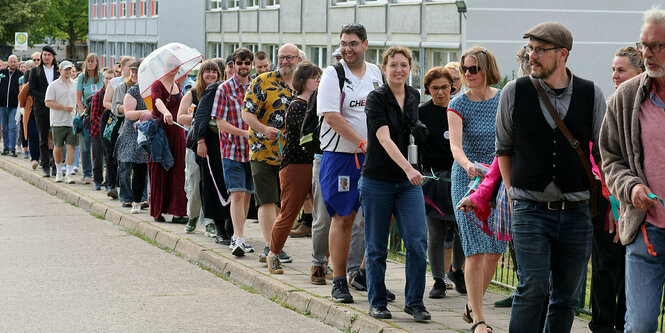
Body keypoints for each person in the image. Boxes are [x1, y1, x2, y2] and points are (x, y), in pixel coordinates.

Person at [496, 22, 606, 332]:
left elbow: (602, 151)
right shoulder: (514, 92)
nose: (532, 55)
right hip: (530, 209)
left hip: (577, 212)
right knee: (532, 289)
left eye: (539, 49)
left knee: (567, 296)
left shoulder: (591, 93)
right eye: (530, 48)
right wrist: (511, 191)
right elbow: (503, 148)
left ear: (562, 54)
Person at [599, 8, 665, 332]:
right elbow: (609, 157)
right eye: (644, 46)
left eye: (657, 46)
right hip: (645, 230)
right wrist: (631, 188)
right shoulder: (625, 98)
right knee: (640, 324)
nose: (648, 54)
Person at [359, 46, 430, 321]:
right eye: (393, 65)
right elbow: (384, 139)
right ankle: (377, 301)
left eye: (403, 65)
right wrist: (409, 168)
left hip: (408, 182)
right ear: (384, 68)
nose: (398, 69)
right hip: (378, 179)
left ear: (410, 68)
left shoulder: (413, 95)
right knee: (377, 246)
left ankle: (415, 302)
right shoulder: (376, 98)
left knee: (416, 241)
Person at [317, 24, 384, 303]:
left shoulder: (376, 73)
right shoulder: (334, 74)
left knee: (378, 217)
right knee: (343, 218)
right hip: (342, 157)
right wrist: (363, 143)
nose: (348, 49)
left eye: (353, 43)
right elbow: (332, 116)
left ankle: (367, 276)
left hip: (375, 157)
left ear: (365, 45)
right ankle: (339, 281)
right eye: (344, 43)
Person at [447, 46, 505, 333]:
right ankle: (480, 321)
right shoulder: (458, 103)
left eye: (474, 69)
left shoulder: (504, 98)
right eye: (465, 69)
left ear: (486, 70)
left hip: (497, 179)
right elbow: (455, 145)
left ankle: (473, 305)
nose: (468, 74)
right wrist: (467, 163)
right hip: (467, 180)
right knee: (475, 250)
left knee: (495, 249)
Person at [587, 46, 643, 333]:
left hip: (642, 204)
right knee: (606, 268)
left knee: (633, 272)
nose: (614, 76)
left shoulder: (647, 110)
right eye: (613, 69)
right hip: (609, 201)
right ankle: (602, 325)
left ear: (640, 73)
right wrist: (612, 204)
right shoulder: (611, 106)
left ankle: (626, 325)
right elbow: (603, 158)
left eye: (621, 70)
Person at [241, 43, 300, 263]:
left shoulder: (305, 84)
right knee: (267, 200)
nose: (285, 62)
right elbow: (247, 113)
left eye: (289, 58)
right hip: (262, 150)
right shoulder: (262, 81)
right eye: (281, 57)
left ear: (298, 60)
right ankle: (270, 247)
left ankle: (277, 244)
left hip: (293, 154)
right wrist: (264, 129)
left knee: (283, 204)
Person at [266, 61, 321, 274]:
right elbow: (305, 137)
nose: (318, 80)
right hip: (296, 164)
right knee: (289, 212)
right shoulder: (297, 105)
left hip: (316, 161)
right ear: (302, 81)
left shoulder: (318, 103)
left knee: (323, 215)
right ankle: (273, 254)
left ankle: (323, 262)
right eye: (313, 77)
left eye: (319, 76)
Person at [417, 66, 463, 299]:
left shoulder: (459, 108)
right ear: (428, 90)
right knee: (435, 231)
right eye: (435, 89)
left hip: (460, 178)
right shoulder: (422, 112)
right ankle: (437, 279)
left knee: (462, 229)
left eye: (445, 87)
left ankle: (457, 270)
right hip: (433, 180)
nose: (441, 93)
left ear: (452, 86)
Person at [212, 48, 256, 256]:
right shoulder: (224, 89)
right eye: (240, 63)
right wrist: (244, 133)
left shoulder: (257, 87)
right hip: (231, 149)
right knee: (237, 194)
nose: (243, 67)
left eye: (247, 63)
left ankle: (241, 236)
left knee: (247, 196)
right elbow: (220, 122)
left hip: (254, 152)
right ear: (234, 65)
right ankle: (237, 238)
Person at [178, 60, 224, 238]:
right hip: (194, 144)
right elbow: (180, 117)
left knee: (210, 185)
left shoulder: (221, 92)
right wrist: (198, 117)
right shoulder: (192, 93)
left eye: (214, 71)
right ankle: (192, 216)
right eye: (207, 71)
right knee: (194, 182)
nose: (211, 74)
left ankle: (209, 222)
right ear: (201, 74)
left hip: (216, 145)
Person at [149, 56, 188, 223]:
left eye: (176, 65)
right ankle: (158, 211)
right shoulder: (157, 84)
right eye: (169, 64)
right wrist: (165, 112)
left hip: (177, 132)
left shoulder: (178, 85)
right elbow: (157, 101)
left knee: (179, 170)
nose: (173, 68)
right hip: (160, 132)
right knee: (159, 169)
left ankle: (178, 212)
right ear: (164, 66)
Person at [111, 61, 149, 213]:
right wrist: (145, 112)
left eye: (137, 72)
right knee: (126, 166)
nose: (133, 74)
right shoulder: (128, 89)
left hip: (145, 132)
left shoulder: (149, 89)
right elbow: (123, 111)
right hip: (129, 131)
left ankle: (140, 198)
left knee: (142, 167)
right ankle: (127, 197)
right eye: (132, 71)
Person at [102, 56, 134, 198]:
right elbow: (106, 102)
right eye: (129, 66)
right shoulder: (116, 82)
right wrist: (121, 109)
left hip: (129, 120)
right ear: (122, 67)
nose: (132, 69)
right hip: (113, 119)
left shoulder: (135, 83)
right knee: (111, 153)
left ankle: (124, 184)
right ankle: (111, 184)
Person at [44, 60, 78, 184]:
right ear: (60, 71)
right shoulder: (53, 85)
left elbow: (78, 100)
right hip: (58, 120)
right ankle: (59, 171)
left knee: (71, 146)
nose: (68, 72)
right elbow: (48, 102)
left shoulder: (75, 84)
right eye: (66, 69)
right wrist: (63, 107)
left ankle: (68, 174)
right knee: (58, 146)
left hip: (72, 121)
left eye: (70, 69)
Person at [29, 46, 59, 177]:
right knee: (43, 139)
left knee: (57, 139)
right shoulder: (36, 71)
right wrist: (46, 98)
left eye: (48, 55)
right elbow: (31, 90)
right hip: (41, 109)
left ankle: (56, 165)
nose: (46, 57)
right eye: (44, 54)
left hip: (56, 109)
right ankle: (45, 166)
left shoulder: (59, 71)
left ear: (53, 56)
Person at [76, 53, 103, 185]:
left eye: (93, 61)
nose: (91, 63)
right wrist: (83, 114)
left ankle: (97, 173)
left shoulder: (101, 76)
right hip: (86, 114)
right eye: (89, 61)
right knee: (86, 146)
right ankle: (86, 173)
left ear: (97, 63)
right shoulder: (82, 77)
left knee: (98, 147)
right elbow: (78, 98)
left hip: (98, 115)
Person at [90, 69, 115, 190]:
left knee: (109, 157)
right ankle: (97, 180)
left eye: (111, 78)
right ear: (103, 79)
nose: (109, 81)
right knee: (97, 156)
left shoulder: (116, 93)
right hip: (97, 130)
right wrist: (104, 126)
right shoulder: (98, 95)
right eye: (107, 78)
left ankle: (109, 182)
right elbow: (94, 115)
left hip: (112, 131)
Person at [0, 55, 23, 157]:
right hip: (2, 105)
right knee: (4, 128)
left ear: (17, 63)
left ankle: (12, 148)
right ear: (8, 62)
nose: (13, 63)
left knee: (13, 127)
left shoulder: (20, 75)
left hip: (14, 106)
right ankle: (5, 148)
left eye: (14, 62)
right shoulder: (2, 73)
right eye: (11, 62)